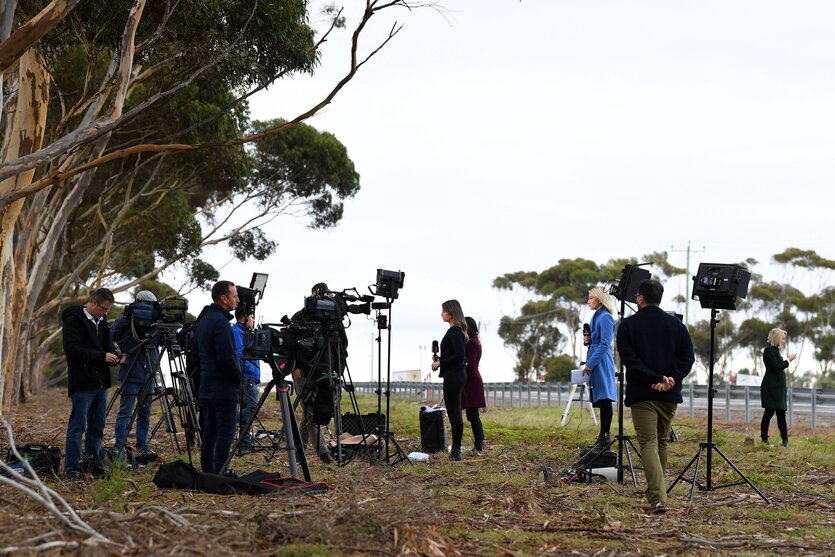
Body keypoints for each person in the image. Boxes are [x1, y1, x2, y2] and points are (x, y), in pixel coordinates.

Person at [616, 279, 694, 514]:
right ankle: (657, 492)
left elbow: (630, 360)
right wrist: (670, 378)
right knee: (661, 442)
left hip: (643, 394)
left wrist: (654, 378)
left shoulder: (627, 326)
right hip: (669, 395)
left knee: (648, 443)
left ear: (640, 298)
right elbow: (687, 358)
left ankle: (658, 499)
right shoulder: (677, 326)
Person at [62, 288, 120, 477]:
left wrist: (116, 356)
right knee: (78, 426)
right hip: (82, 383)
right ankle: (72, 468)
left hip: (100, 384)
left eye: (108, 310)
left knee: (97, 426)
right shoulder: (73, 321)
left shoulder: (102, 323)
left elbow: (108, 346)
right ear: (93, 303)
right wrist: (102, 356)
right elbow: (72, 350)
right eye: (103, 309)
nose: (105, 313)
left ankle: (92, 464)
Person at [291, 282, 346, 464]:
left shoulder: (332, 318)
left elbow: (341, 344)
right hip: (303, 371)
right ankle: (323, 453)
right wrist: (294, 367)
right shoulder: (300, 316)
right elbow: (291, 345)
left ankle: (299, 451)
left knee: (314, 413)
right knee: (309, 414)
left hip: (325, 370)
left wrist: (339, 368)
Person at [196, 280, 242, 474]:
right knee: (225, 432)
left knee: (210, 432)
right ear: (223, 298)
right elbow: (226, 357)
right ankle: (220, 473)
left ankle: (208, 472)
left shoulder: (205, 319)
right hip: (223, 387)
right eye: (234, 296)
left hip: (207, 385)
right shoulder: (221, 323)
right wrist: (238, 377)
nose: (238, 300)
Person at [110, 290, 160, 463]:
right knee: (143, 413)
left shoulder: (124, 319)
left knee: (126, 412)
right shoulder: (153, 321)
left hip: (133, 371)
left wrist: (119, 354)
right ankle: (140, 446)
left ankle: (120, 445)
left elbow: (109, 337)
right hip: (146, 372)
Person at [431, 300, 468, 461]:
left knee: (454, 412)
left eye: (444, 311)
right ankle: (456, 449)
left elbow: (460, 356)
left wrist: (440, 362)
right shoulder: (455, 331)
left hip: (454, 376)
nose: (442, 313)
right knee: (453, 411)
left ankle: (456, 451)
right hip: (454, 374)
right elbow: (455, 355)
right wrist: (442, 359)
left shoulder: (454, 331)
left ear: (452, 313)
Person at [583, 287, 617, 449]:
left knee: (604, 398)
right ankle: (602, 437)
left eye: (591, 298)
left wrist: (590, 363)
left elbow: (605, 343)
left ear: (599, 299)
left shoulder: (605, 317)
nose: (588, 301)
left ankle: (605, 437)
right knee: (601, 397)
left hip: (601, 361)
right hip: (596, 358)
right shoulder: (596, 317)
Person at [761, 328, 795, 447]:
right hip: (771, 388)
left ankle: (785, 442)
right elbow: (776, 367)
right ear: (776, 338)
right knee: (768, 413)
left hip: (779, 389)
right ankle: (764, 440)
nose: (784, 341)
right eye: (783, 338)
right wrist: (788, 360)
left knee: (781, 414)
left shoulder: (775, 351)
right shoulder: (769, 351)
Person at [232, 307, 261, 446]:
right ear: (244, 317)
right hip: (246, 377)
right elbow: (238, 355)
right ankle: (230, 420)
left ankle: (245, 440)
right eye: (252, 317)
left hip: (250, 376)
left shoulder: (245, 332)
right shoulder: (237, 332)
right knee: (253, 407)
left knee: (247, 406)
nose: (254, 320)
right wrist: (250, 369)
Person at [462, 316, 486, 452]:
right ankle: (479, 443)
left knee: (473, 414)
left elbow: (470, 364)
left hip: (471, 380)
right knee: (473, 414)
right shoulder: (476, 341)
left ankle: (479, 444)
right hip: (473, 379)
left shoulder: (471, 343)